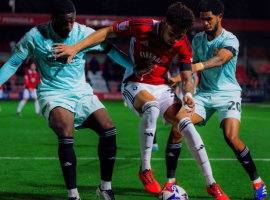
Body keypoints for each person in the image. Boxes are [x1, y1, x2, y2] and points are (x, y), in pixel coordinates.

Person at [52, 2, 229, 199]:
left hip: (162, 87)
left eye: (180, 35)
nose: (175, 40)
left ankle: (211, 183)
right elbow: (105, 33)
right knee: (151, 107)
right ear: (165, 23)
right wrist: (75, 48)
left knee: (186, 124)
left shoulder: (182, 42)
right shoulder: (142, 26)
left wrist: (187, 94)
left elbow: (187, 77)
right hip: (135, 82)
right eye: (173, 34)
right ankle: (145, 169)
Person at [0, 0, 154, 200]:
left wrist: (133, 67)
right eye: (64, 22)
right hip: (53, 93)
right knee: (65, 131)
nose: (69, 26)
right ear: (52, 19)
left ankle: (105, 188)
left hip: (81, 92)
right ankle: (73, 195)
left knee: (109, 129)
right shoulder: (35, 35)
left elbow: (110, 50)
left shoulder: (84, 33)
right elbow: (13, 63)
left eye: (72, 21)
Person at [169, 0, 267, 199]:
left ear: (220, 17)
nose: (205, 23)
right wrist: (175, 79)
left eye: (209, 19)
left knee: (231, 138)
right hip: (204, 94)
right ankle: (170, 183)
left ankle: (257, 182)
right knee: (177, 125)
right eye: (203, 19)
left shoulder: (230, 39)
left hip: (228, 93)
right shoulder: (197, 40)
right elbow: (190, 66)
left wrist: (197, 67)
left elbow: (221, 59)